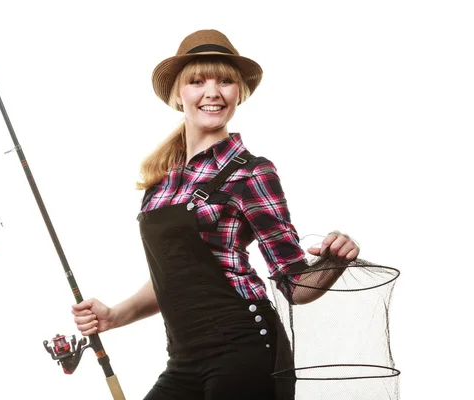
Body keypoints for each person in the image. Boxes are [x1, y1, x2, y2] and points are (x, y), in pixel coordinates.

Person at [72, 29, 360, 399]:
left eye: (225, 81)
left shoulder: (252, 172)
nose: (212, 92)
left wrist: (335, 261)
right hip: (184, 361)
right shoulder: (161, 183)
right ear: (178, 94)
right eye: (197, 82)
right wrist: (116, 315)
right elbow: (175, 276)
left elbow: (295, 286)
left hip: (245, 351)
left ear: (237, 92)